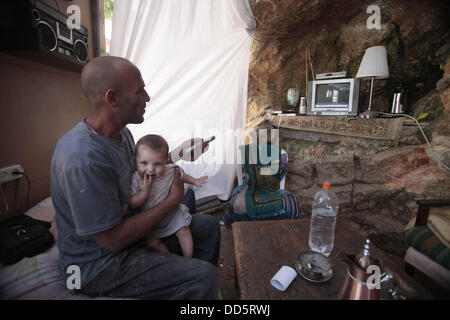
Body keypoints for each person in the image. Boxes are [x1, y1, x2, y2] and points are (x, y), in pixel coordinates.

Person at [50, 56, 220, 299]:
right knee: (203, 276)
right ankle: (194, 283)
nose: (147, 98)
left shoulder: (122, 134)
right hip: (97, 265)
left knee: (208, 226)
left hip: (128, 240)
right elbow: (112, 241)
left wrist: (177, 154)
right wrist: (172, 201)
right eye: (140, 90)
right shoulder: (82, 159)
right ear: (113, 99)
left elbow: (137, 173)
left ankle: (193, 291)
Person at [130, 134, 208, 258]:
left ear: (165, 161)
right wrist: (144, 193)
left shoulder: (169, 170)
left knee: (184, 230)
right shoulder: (136, 179)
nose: (150, 169)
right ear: (135, 160)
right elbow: (132, 203)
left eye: (157, 164)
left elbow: (182, 175)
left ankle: (188, 257)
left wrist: (195, 181)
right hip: (150, 219)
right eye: (144, 163)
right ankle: (171, 259)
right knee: (153, 242)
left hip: (171, 212)